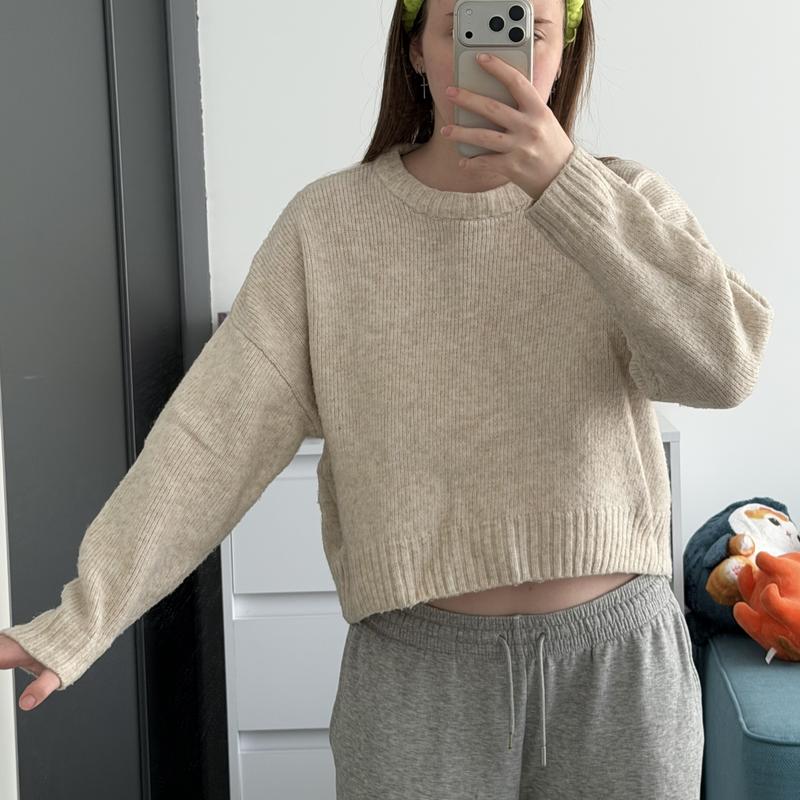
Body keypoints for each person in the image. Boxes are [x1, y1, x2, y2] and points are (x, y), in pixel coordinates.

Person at [0, 0, 774, 797]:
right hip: (415, 679)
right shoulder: (329, 227)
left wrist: (566, 188)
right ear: (416, 50)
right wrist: (82, 617)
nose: (496, 53)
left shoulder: (625, 201)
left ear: (564, 51)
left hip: (620, 674)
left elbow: (725, 367)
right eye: (464, 25)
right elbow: (212, 438)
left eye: (527, 28)